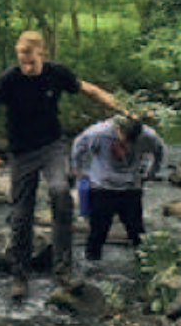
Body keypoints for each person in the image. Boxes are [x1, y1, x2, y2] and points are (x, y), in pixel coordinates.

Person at [0, 31, 126, 301]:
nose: (26, 67)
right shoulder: (9, 79)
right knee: (21, 214)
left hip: (52, 147)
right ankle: (19, 277)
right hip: (21, 153)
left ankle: (63, 271)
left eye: (31, 61)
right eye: (22, 60)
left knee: (60, 192)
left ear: (42, 54)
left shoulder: (56, 73)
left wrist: (126, 110)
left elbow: (91, 91)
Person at [71, 115, 166, 274]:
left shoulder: (148, 136)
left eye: (132, 139)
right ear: (117, 129)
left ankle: (145, 267)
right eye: (125, 138)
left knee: (137, 232)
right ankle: (92, 269)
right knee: (97, 232)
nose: (128, 143)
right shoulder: (98, 133)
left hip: (131, 189)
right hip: (102, 188)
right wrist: (80, 174)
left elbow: (159, 152)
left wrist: (150, 174)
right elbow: (78, 147)